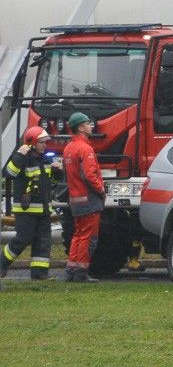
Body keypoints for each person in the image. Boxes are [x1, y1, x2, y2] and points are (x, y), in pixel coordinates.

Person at [1, 127, 61, 280]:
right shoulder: (23, 157)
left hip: (43, 209)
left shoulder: (46, 159)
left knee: (43, 242)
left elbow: (50, 182)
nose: (45, 145)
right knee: (23, 239)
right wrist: (19, 154)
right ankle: (1, 264)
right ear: (32, 142)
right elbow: (9, 173)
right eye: (41, 142)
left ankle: (39, 275)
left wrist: (57, 172)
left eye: (45, 142)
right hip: (26, 210)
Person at [63, 112, 104, 283]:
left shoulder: (68, 148)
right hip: (89, 199)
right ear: (80, 127)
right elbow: (89, 175)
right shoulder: (85, 148)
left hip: (76, 199)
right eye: (88, 123)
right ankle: (81, 272)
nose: (91, 126)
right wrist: (101, 190)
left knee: (78, 234)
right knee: (89, 236)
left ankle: (72, 270)